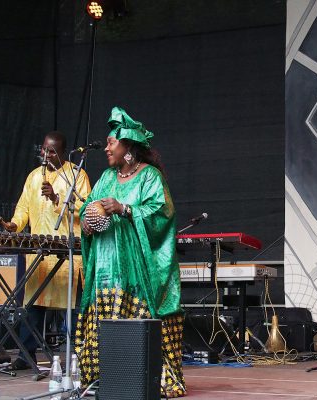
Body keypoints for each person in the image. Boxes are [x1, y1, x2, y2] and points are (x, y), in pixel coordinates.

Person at [76, 107, 186, 397]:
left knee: (134, 323)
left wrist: (124, 209)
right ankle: (105, 378)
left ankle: (140, 378)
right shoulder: (106, 178)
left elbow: (162, 213)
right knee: (103, 321)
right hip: (104, 266)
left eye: (111, 143)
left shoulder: (149, 176)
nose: (107, 148)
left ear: (128, 147)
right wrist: (87, 221)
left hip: (135, 269)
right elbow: (87, 207)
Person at [0, 130, 92, 369]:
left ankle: (80, 356)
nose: (45, 154)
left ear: (62, 153)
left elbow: (87, 210)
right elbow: (23, 209)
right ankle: (25, 355)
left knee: (73, 308)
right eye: (44, 149)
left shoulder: (77, 175)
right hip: (39, 254)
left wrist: (57, 199)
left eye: (51, 151)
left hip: (66, 254)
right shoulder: (33, 177)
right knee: (31, 307)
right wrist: (14, 225)